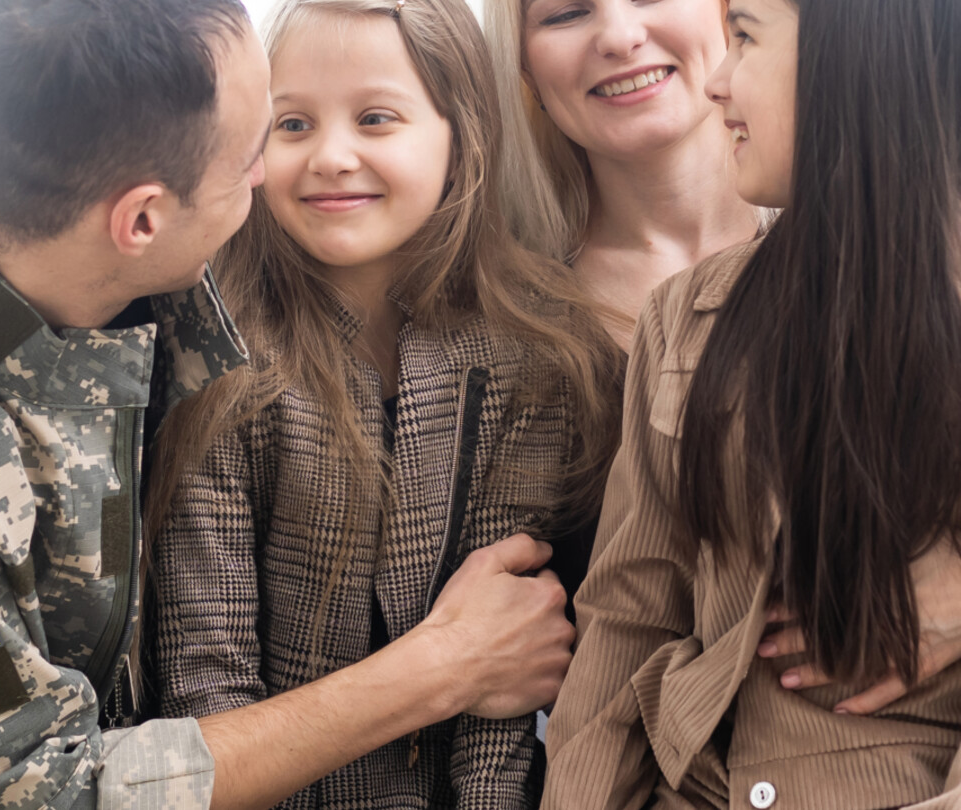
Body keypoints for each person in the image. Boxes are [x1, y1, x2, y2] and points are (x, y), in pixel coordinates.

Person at [0, 1, 578, 808]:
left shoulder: (90, 234)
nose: (283, 171)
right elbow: (39, 788)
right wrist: (442, 667)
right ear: (143, 221)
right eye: (256, 151)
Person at [542, 0, 961, 805]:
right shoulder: (681, 322)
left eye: (744, 37)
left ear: (862, 61)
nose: (718, 82)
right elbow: (625, 625)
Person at [483, 0, 961, 718]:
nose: (619, 35)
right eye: (566, 13)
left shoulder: (923, 260)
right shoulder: (496, 327)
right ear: (520, 60)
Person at [148, 0, 623, 806]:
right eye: (291, 125)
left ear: (461, 134)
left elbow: (500, 703)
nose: (332, 156)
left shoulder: (538, 356)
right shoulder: (219, 358)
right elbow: (205, 690)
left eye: (376, 118)